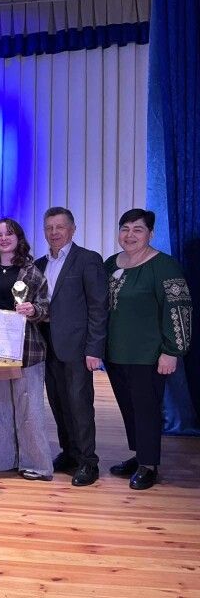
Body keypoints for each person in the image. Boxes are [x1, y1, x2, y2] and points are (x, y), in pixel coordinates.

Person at [104, 208, 192, 490]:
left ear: (150, 234)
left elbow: (179, 310)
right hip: (115, 353)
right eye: (125, 229)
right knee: (129, 408)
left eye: (138, 229)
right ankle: (139, 454)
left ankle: (149, 464)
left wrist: (172, 351)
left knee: (146, 409)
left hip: (149, 355)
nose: (130, 235)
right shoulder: (110, 264)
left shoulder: (164, 266)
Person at [34, 207, 107, 487]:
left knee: (79, 404)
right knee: (58, 402)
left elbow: (99, 307)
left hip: (77, 347)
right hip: (47, 345)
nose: (54, 232)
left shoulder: (88, 260)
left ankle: (89, 461)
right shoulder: (39, 264)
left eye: (60, 227)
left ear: (72, 229)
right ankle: (70, 452)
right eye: (49, 227)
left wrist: (94, 349)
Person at [0, 218, 53, 481]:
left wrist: (34, 309)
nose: (4, 238)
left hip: (28, 349)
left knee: (29, 408)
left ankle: (37, 464)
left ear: (18, 238)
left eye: (9, 233)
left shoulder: (32, 272)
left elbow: (46, 307)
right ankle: (4, 459)